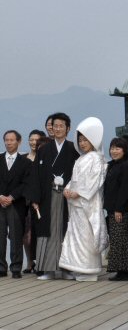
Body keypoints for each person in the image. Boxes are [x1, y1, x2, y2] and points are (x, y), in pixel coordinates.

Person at [30, 112, 80, 280]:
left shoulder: (74, 149)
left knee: (66, 230)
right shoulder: (44, 150)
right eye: (55, 126)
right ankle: (48, 269)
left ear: (68, 128)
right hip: (47, 196)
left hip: (67, 196)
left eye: (61, 126)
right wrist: (35, 198)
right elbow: (35, 175)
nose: (57, 129)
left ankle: (67, 268)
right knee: (48, 231)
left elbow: (79, 174)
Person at [59, 117, 108, 281]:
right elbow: (74, 179)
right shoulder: (81, 158)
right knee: (76, 235)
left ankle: (89, 269)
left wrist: (78, 193)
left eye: (85, 140)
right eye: (80, 140)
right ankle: (78, 267)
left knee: (87, 236)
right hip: (76, 205)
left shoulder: (96, 158)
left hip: (87, 203)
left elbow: (95, 181)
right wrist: (67, 189)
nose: (82, 143)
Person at [104, 137, 128, 281]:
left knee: (121, 240)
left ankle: (124, 271)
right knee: (117, 239)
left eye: (118, 148)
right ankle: (122, 269)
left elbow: (125, 189)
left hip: (120, 210)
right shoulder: (111, 165)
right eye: (112, 148)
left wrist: (119, 209)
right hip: (111, 208)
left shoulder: (127, 166)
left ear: (124, 150)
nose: (114, 151)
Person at [0, 130, 31, 279]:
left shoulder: (25, 162)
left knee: (16, 236)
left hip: (16, 203)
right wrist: (1, 196)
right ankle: (1, 267)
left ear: (18, 142)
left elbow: (26, 183)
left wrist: (11, 197)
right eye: (6, 140)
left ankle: (16, 267)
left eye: (11, 140)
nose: (8, 143)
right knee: (0, 236)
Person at [22, 129, 46, 274]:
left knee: (37, 233)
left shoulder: (43, 158)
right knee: (26, 234)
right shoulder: (23, 158)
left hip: (38, 201)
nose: (33, 142)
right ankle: (29, 261)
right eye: (31, 139)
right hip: (24, 200)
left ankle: (39, 261)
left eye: (36, 140)